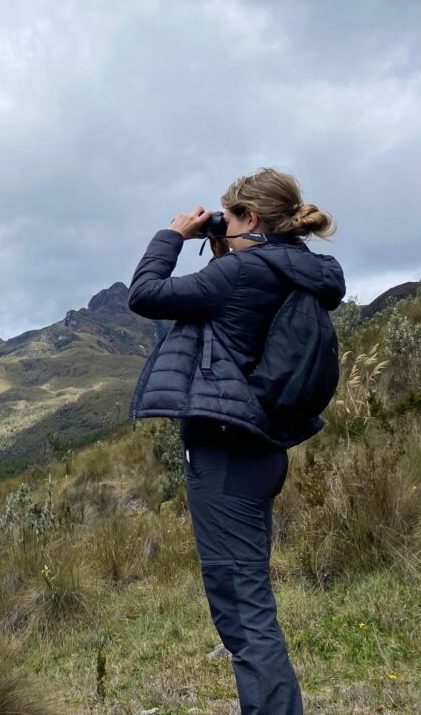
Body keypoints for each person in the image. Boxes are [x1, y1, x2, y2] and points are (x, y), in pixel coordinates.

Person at [127, 168, 345, 715]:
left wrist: (175, 235)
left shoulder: (244, 273)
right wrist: (225, 243)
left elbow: (146, 295)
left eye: (228, 215)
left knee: (243, 613)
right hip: (261, 448)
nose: (218, 225)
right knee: (249, 601)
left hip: (226, 454)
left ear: (249, 218)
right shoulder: (295, 269)